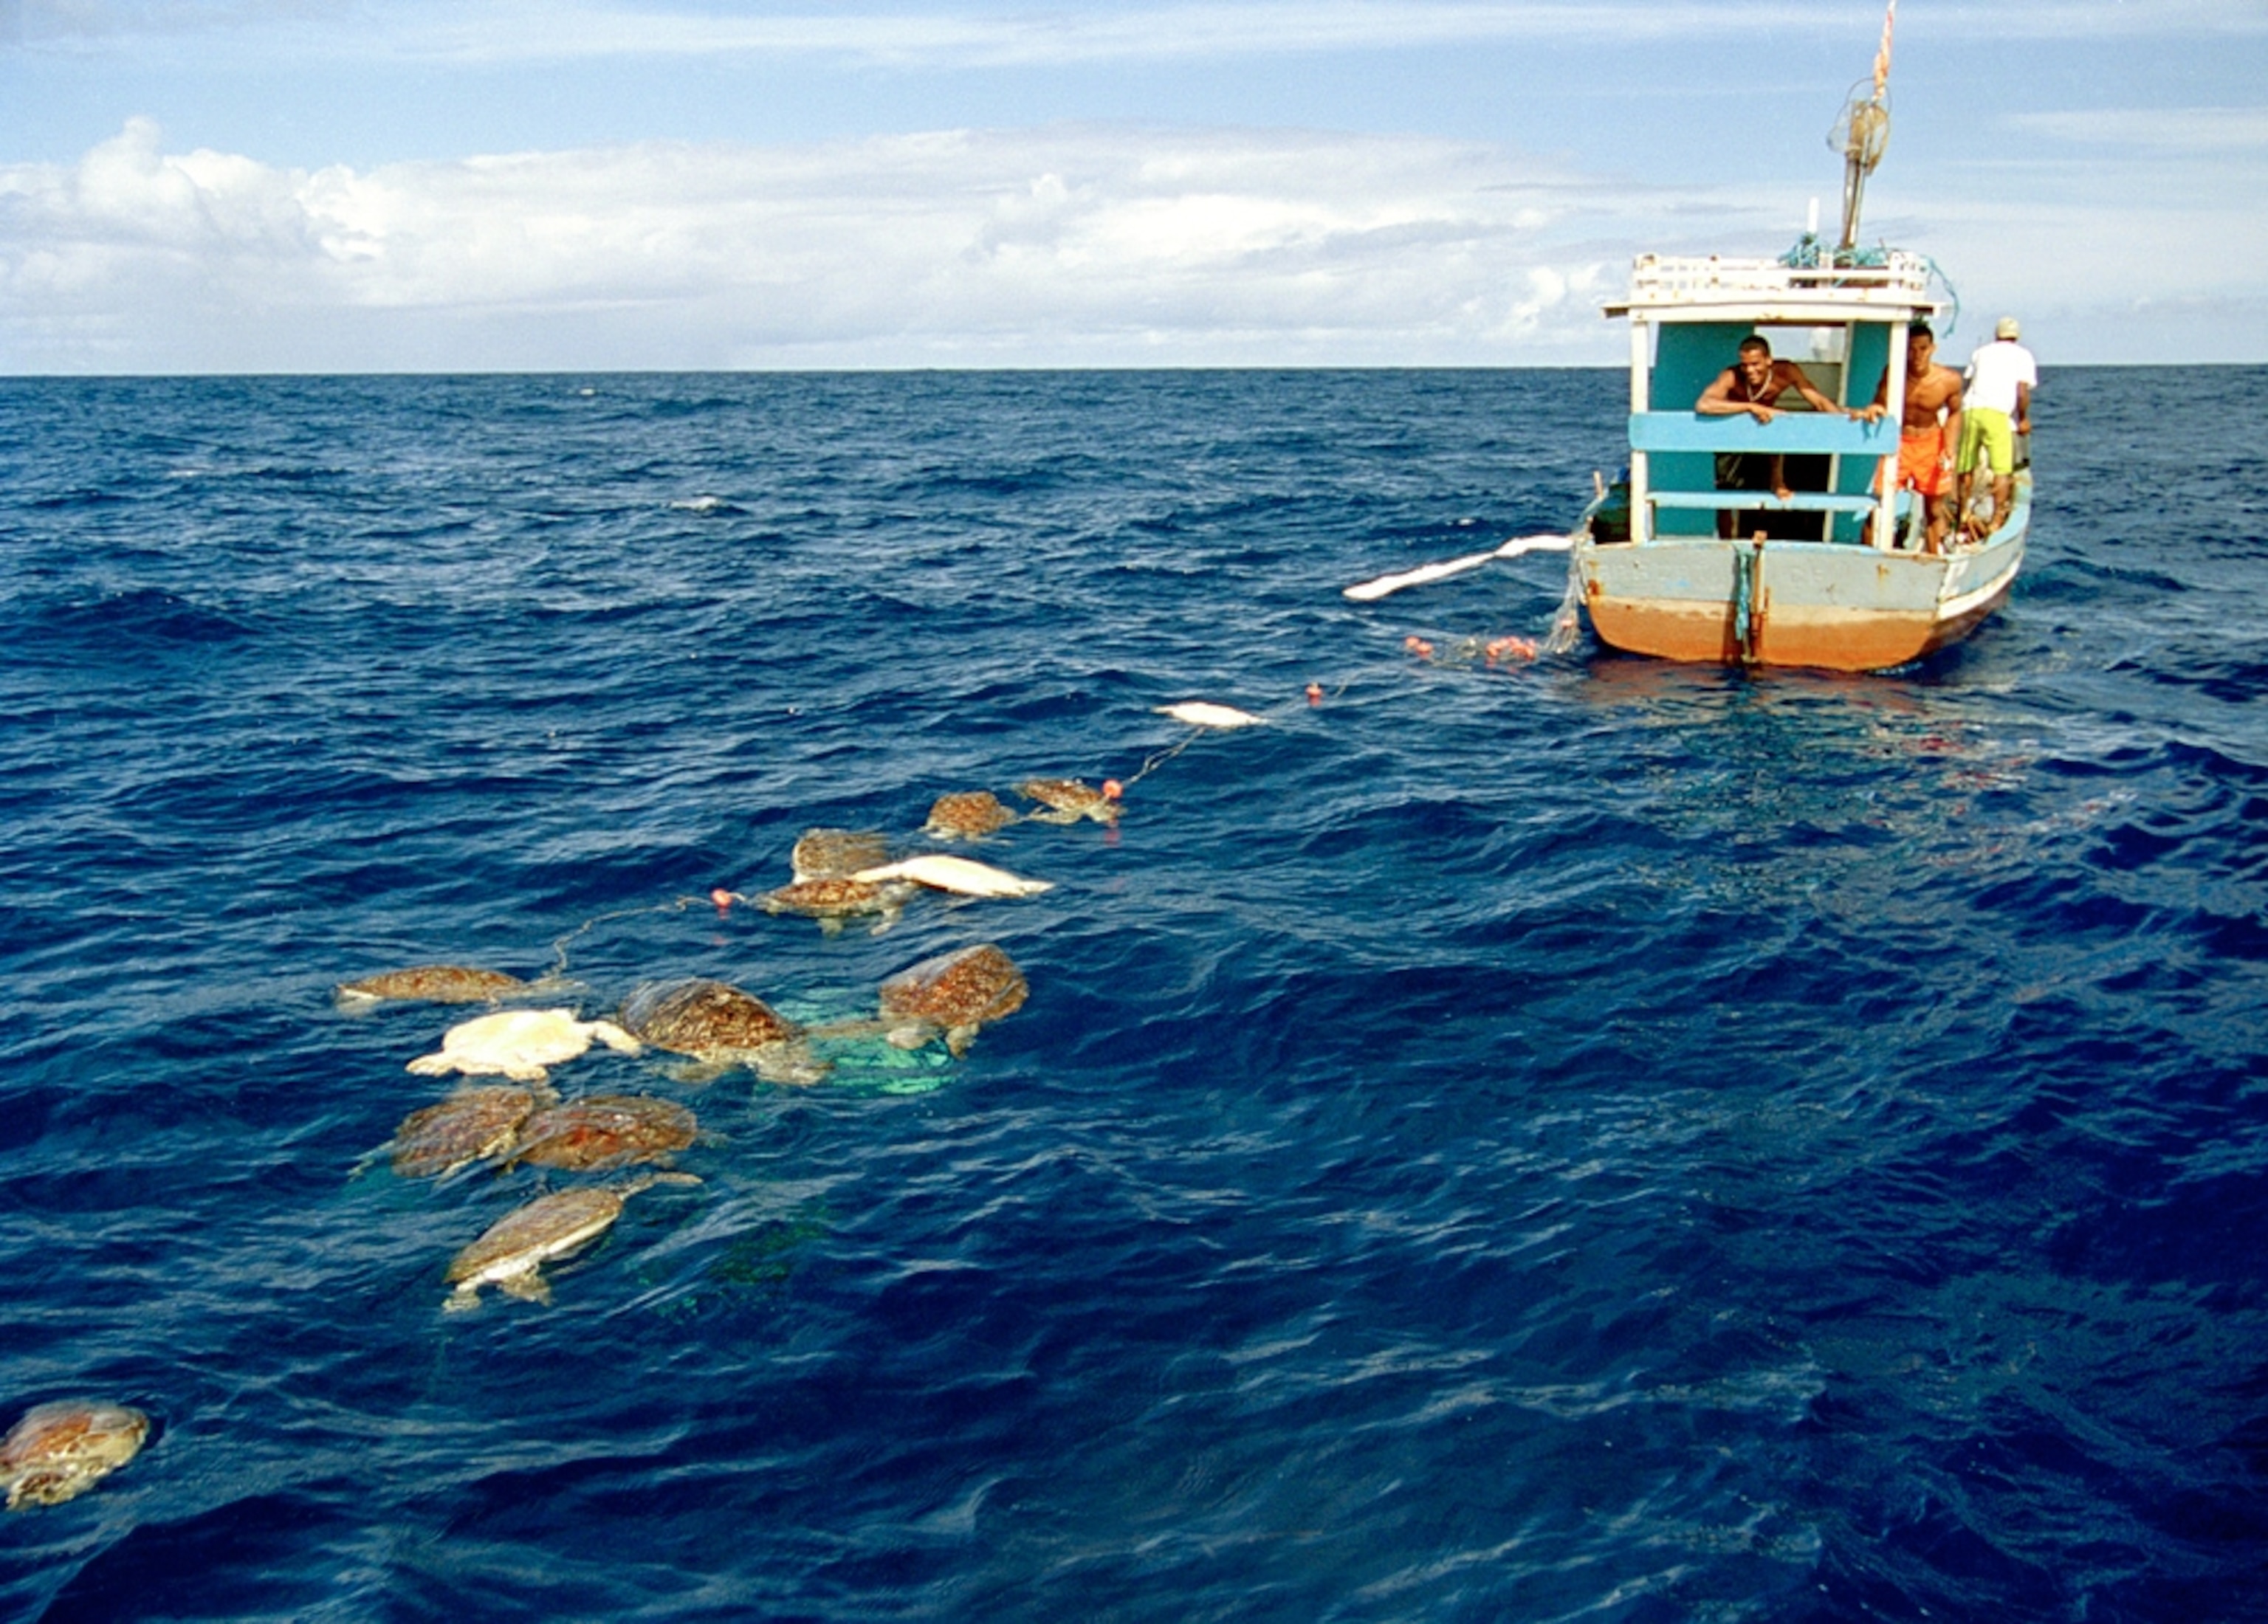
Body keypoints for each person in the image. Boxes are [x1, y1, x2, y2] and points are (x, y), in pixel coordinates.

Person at [1696, 335, 1879, 538]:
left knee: (1772, 444)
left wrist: (1844, 419)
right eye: (1745, 365)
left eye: (1755, 364)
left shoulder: (1785, 372)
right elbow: (1704, 404)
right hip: (1732, 436)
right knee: (1726, 497)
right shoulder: (1731, 376)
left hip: (1764, 434)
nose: (1749, 370)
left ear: (1769, 360)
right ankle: (1725, 543)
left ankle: (1777, 483)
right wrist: (1751, 407)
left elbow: (1818, 401)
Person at [1868, 322, 1964, 552]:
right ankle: (1870, 558)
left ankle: (1933, 560)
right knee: (1880, 504)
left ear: (1933, 349)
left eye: (1923, 348)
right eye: (1911, 349)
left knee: (1934, 509)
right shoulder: (1894, 374)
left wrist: (1949, 448)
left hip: (1931, 443)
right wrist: (1875, 408)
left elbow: (1955, 413)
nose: (1917, 355)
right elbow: (1879, 402)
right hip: (1900, 443)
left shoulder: (1949, 380)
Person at [1957, 316, 2036, 539]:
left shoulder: (1981, 352)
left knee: (1966, 466)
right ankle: (1997, 520)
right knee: (2002, 470)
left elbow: (1968, 383)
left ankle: (1962, 512)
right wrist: (2023, 419)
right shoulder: (2023, 355)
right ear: (2016, 336)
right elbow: (2022, 392)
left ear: (1996, 334)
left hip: (1970, 410)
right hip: (1997, 414)